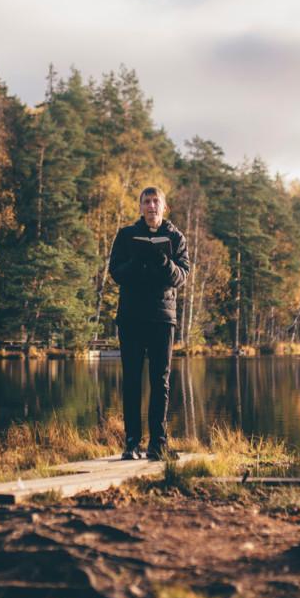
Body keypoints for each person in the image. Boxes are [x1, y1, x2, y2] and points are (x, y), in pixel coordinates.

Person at [108, 186, 191, 460]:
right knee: (131, 380)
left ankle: (158, 444)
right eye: (147, 202)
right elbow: (116, 273)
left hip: (161, 318)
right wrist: (136, 261)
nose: (151, 206)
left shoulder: (176, 237)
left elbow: (181, 277)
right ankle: (131, 443)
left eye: (156, 202)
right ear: (140, 207)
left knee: (161, 381)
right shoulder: (126, 235)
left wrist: (162, 261)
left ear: (164, 207)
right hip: (131, 317)